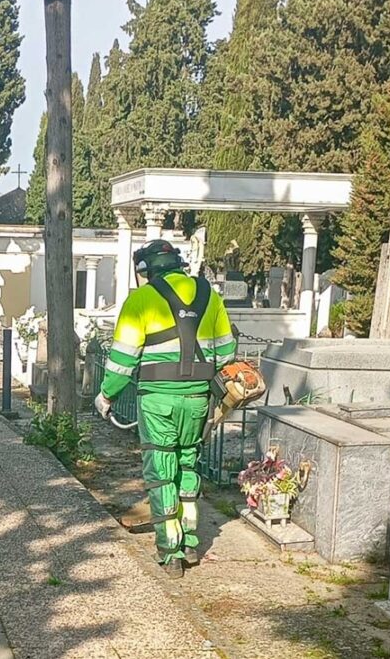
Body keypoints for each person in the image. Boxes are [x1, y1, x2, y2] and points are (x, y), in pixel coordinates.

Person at [94, 240, 236, 578]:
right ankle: (189, 541)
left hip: (157, 400)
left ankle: (170, 551)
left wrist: (106, 397)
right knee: (188, 465)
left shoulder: (140, 300)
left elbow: (122, 361)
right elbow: (227, 351)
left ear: (146, 270)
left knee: (161, 474)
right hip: (198, 399)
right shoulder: (209, 295)